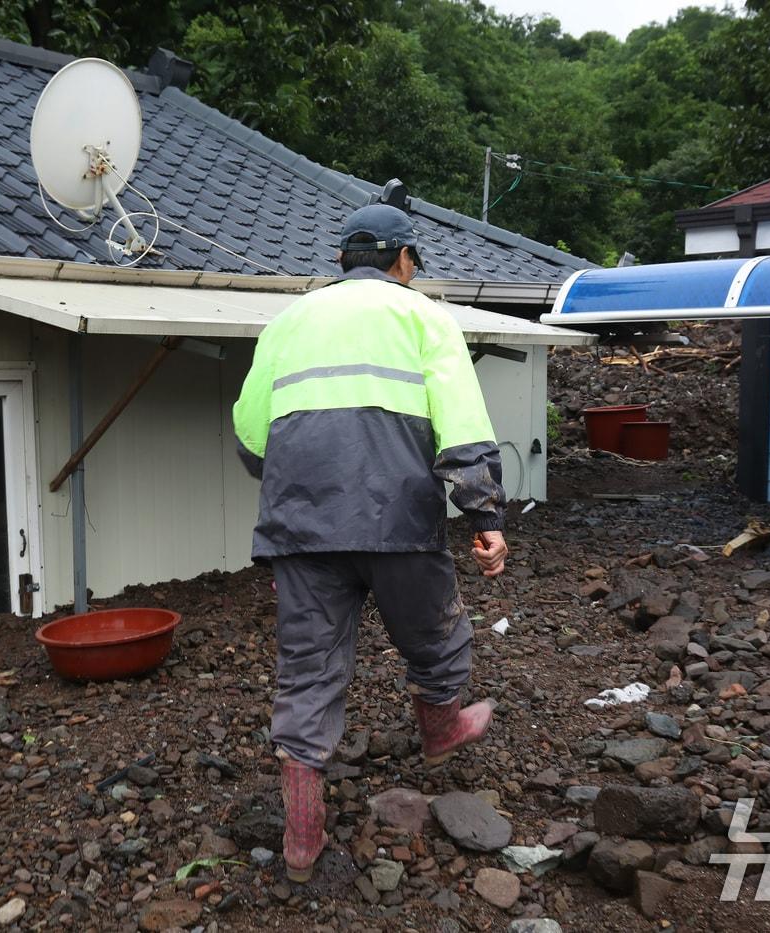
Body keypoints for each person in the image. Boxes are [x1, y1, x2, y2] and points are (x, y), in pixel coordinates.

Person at [232, 202, 509, 882]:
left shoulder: (286, 322)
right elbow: (462, 426)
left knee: (307, 672)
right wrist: (485, 519)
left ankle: (301, 840)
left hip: (301, 532)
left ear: (340, 260)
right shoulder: (424, 318)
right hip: (400, 526)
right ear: (404, 260)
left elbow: (248, 436)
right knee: (437, 637)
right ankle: (440, 733)